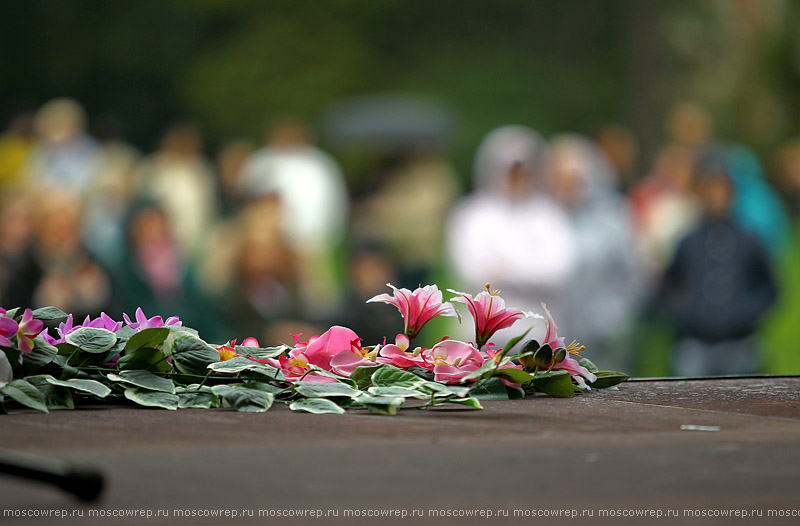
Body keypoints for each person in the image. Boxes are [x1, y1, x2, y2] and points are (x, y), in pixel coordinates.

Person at [445, 125, 576, 345]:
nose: (517, 178)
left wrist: (506, 270)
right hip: (481, 336)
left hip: (536, 335)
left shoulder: (549, 215)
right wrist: (531, 267)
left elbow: (559, 272)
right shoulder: (472, 215)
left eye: (523, 170)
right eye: (511, 170)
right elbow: (472, 273)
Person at [661, 150, 777, 376]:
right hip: (695, 341)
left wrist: (747, 313)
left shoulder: (750, 240)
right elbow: (669, 283)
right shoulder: (689, 241)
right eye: (711, 190)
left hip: (740, 341)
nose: (717, 197)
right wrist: (686, 310)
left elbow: (770, 287)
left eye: (722, 190)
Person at [239, 119, 349, 319]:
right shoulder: (264, 161)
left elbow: (334, 200)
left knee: (317, 292)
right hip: (275, 235)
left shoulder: (319, 163)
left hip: (315, 236)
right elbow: (251, 195)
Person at [549, 134, 642, 370]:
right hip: (553, 344)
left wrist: (612, 318)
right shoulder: (544, 217)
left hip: (604, 338)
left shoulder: (613, 218)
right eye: (559, 178)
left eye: (573, 179)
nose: (566, 187)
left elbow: (634, 275)